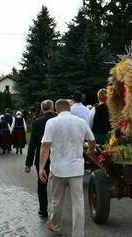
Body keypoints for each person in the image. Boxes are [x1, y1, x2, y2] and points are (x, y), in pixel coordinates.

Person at [39, 99, 96, 237]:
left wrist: (41, 168)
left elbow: (45, 146)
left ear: (56, 110)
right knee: (78, 202)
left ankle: (57, 227)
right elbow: (92, 140)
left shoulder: (51, 122)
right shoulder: (80, 122)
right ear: (69, 108)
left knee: (57, 200)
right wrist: (90, 150)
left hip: (58, 168)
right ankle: (78, 234)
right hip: (76, 168)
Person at [25, 100, 57, 219]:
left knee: (42, 184)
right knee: (58, 184)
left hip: (41, 157)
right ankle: (57, 211)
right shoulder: (59, 119)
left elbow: (32, 145)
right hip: (57, 155)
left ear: (42, 110)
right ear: (53, 108)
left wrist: (28, 164)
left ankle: (43, 210)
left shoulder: (37, 123)